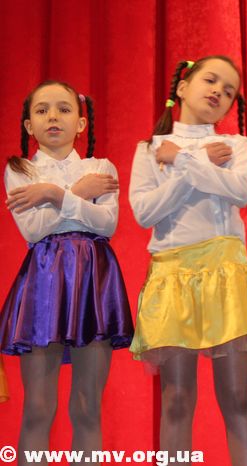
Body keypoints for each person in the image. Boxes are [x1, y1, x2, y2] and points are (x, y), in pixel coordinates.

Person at [129, 56, 247, 466]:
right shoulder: (151, 149)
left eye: (228, 91)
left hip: (224, 272)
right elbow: (144, 212)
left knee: (238, 396)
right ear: (182, 87)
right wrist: (189, 165)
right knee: (177, 399)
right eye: (210, 81)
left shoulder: (236, 145)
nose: (218, 92)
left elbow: (241, 191)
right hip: (172, 274)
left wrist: (186, 160)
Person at [0, 80, 133, 464]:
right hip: (44, 284)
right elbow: (34, 229)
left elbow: (106, 223)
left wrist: (54, 195)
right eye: (42, 110)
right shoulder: (20, 170)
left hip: (93, 282)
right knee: (38, 408)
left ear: (81, 123)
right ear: (29, 125)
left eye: (63, 109)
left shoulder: (100, 168)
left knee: (87, 407)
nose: (53, 117)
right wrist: (77, 194)